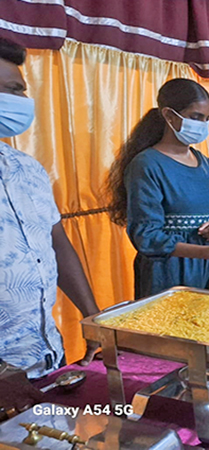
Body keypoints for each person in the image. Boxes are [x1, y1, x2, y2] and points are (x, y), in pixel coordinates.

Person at [0, 38, 100, 410]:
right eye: (13, 91)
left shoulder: (28, 169)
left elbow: (56, 242)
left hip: (43, 358)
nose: (24, 101)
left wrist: (93, 316)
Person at [107, 79, 209, 299]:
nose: (203, 125)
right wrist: (203, 253)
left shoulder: (204, 162)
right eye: (196, 117)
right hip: (171, 272)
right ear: (169, 116)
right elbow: (146, 236)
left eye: (207, 119)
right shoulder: (147, 164)